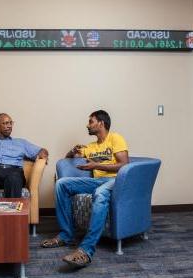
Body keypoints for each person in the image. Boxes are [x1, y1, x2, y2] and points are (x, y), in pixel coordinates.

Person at [41, 110, 129, 268]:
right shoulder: (91, 146)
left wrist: (96, 165)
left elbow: (124, 165)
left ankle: (86, 250)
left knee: (100, 193)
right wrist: (73, 151)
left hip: (116, 181)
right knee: (62, 184)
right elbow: (69, 157)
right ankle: (65, 235)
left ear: (101, 123)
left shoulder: (115, 138)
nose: (87, 125)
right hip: (97, 181)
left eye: (91, 121)